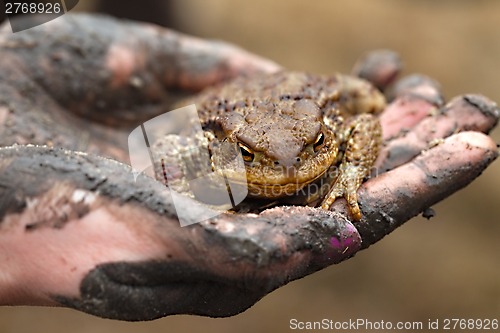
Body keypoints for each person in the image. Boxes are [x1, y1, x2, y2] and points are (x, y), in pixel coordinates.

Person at [0, 14, 497, 321]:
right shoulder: (203, 137)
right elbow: (168, 146)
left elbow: (365, 124)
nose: (289, 173)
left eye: (311, 151)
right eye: (262, 162)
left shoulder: (326, 126)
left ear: (321, 135)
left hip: (299, 104)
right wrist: (202, 196)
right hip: (228, 112)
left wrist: (348, 174)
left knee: (365, 94)